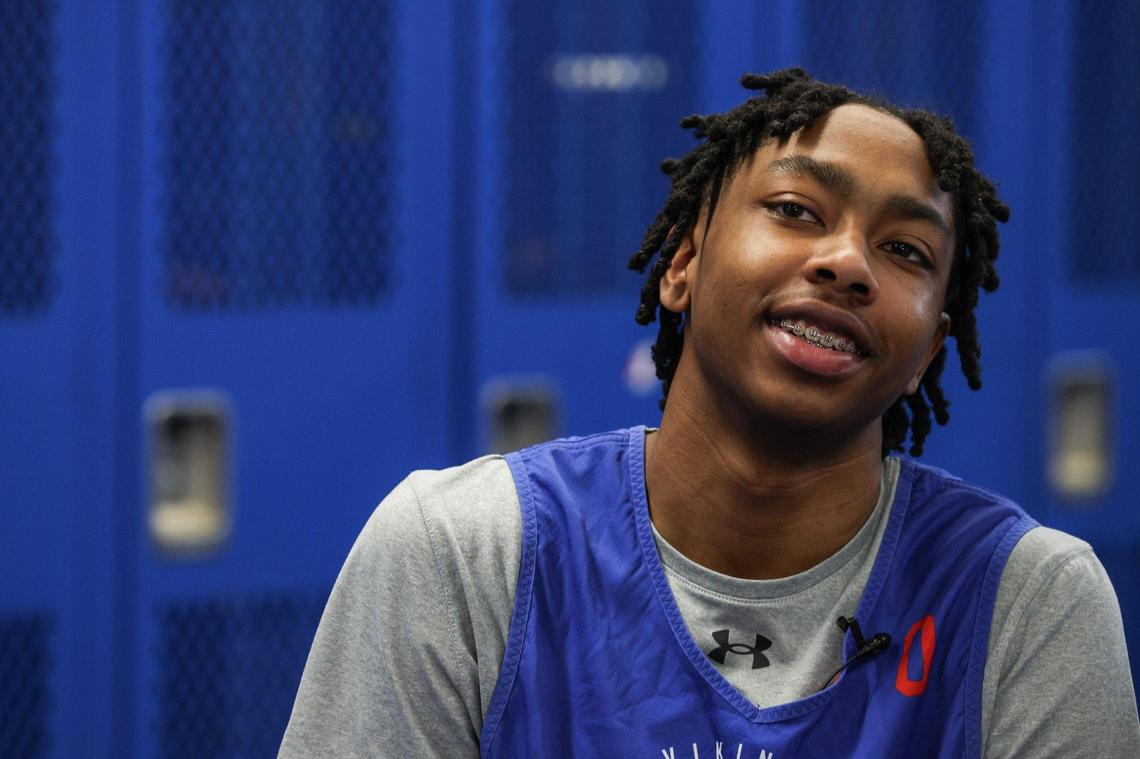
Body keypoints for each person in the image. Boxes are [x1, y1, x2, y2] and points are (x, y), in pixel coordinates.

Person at [280, 69, 1140, 757]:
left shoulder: (1028, 602)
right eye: (796, 211)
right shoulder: (463, 552)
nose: (847, 263)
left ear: (928, 352)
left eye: (905, 250)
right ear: (682, 264)